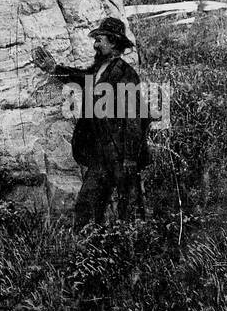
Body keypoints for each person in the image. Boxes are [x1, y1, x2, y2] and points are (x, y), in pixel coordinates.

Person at [33, 16, 147, 230]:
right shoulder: (99, 69)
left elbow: (134, 120)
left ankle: (133, 244)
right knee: (87, 207)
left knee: (130, 211)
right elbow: (80, 77)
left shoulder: (126, 75)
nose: (95, 44)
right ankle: (90, 245)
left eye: (99, 40)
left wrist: (130, 158)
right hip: (101, 154)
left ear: (113, 43)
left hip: (122, 155)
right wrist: (54, 68)